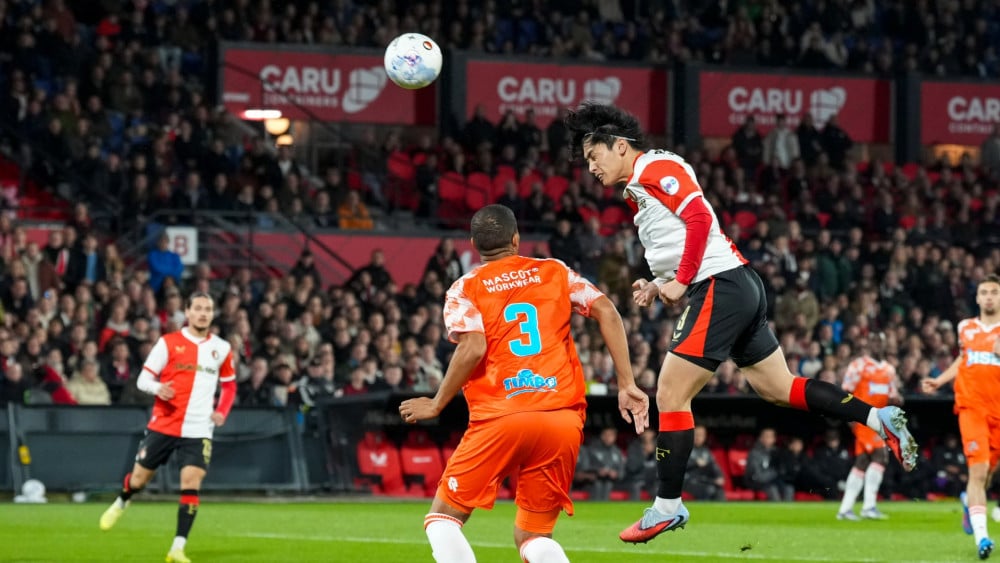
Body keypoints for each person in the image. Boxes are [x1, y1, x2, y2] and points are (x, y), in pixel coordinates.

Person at [563, 102, 918, 544]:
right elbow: (685, 235)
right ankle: (877, 417)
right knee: (779, 388)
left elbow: (699, 218)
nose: (591, 168)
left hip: (719, 284)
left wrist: (683, 281)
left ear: (620, 146)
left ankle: (667, 507)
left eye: (595, 157)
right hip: (735, 282)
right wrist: (661, 284)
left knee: (670, 392)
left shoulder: (655, 168)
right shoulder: (642, 184)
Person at [398, 204, 649, 563]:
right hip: (561, 417)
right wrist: (626, 383)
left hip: (502, 414)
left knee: (443, 518)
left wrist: (438, 402)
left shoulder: (465, 287)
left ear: (474, 244)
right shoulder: (554, 271)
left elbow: (473, 346)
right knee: (533, 534)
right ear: (516, 239)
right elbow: (606, 310)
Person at [98, 292, 236, 563]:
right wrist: (158, 387)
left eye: (208, 309)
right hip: (165, 424)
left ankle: (177, 548)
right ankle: (123, 499)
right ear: (187, 311)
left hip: (199, 429)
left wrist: (221, 411)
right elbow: (142, 380)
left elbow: (229, 384)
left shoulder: (222, 348)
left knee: (191, 483)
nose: (203, 313)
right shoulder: (168, 343)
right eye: (198, 308)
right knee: (138, 481)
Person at [923, 274, 1000, 560]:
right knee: (978, 473)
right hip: (971, 408)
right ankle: (983, 538)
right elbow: (963, 358)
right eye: (985, 292)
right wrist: (939, 380)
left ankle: (969, 501)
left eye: (994, 292)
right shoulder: (966, 327)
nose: (989, 297)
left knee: (988, 475)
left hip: (998, 411)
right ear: (977, 298)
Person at [836, 332, 901, 521]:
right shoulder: (858, 366)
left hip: (881, 421)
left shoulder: (889, 369)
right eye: (873, 341)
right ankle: (868, 506)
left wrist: (897, 399)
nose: (876, 345)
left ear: (884, 344)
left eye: (880, 341)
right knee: (881, 457)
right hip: (863, 418)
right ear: (868, 344)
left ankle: (846, 509)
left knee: (862, 462)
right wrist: (850, 418)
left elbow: (892, 395)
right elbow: (846, 391)